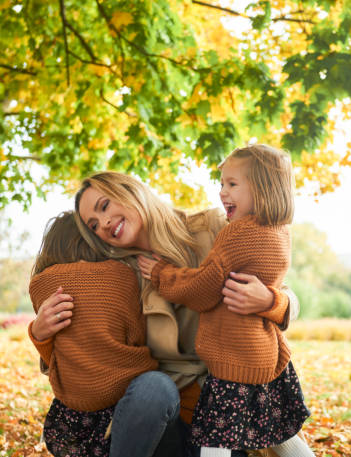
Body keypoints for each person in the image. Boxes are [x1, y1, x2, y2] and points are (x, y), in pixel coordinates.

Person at [30, 170, 301, 457]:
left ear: (130, 190)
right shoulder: (118, 276)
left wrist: (272, 301)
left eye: (105, 205)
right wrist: (40, 335)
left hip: (227, 412)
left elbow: (288, 296)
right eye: (94, 225)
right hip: (163, 420)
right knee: (153, 387)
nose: (105, 224)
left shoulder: (214, 229)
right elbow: (88, 354)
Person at [137, 145, 312, 457]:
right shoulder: (279, 231)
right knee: (282, 437)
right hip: (265, 355)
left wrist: (162, 274)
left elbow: (203, 290)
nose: (222, 193)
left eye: (232, 184)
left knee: (216, 443)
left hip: (235, 362)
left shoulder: (238, 234)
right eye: (221, 184)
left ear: (263, 188)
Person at [28, 211, 159, 457]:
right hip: (121, 405)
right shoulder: (123, 277)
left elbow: (54, 353)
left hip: (68, 422)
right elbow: (136, 335)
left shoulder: (41, 285)